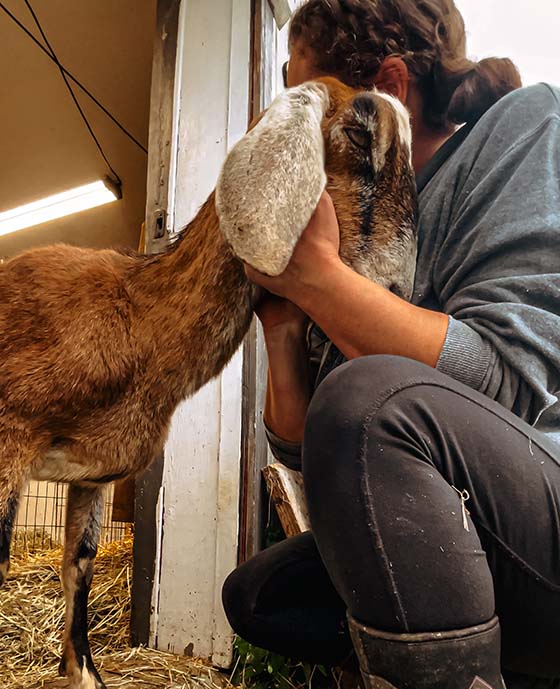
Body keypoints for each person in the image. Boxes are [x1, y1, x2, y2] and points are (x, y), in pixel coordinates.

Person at [222, 1, 560, 688]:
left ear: (390, 90)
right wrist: (284, 323)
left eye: (303, 99)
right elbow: (314, 453)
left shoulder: (520, 130)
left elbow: (513, 383)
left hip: (541, 504)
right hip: (449, 515)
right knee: (261, 593)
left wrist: (317, 280)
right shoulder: (360, 237)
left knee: (370, 402)